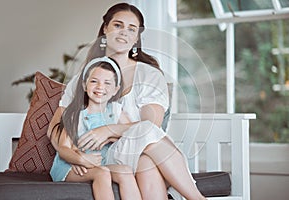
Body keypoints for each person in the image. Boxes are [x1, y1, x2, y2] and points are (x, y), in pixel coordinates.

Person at [47, 3, 206, 200]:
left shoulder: (149, 75)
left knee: (145, 156)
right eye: (118, 25)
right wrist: (76, 158)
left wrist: (107, 130)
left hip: (137, 150)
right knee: (144, 162)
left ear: (137, 37)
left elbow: (150, 128)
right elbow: (55, 128)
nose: (124, 33)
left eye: (132, 29)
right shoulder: (85, 77)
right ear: (105, 28)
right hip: (103, 157)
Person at [49, 56, 142, 200]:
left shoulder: (116, 111)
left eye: (107, 83)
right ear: (84, 85)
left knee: (125, 171)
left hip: (101, 163)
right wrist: (80, 159)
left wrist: (112, 133)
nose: (100, 87)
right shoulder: (74, 113)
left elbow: (134, 129)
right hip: (70, 167)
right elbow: (63, 149)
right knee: (102, 173)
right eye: (94, 81)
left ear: (115, 89)